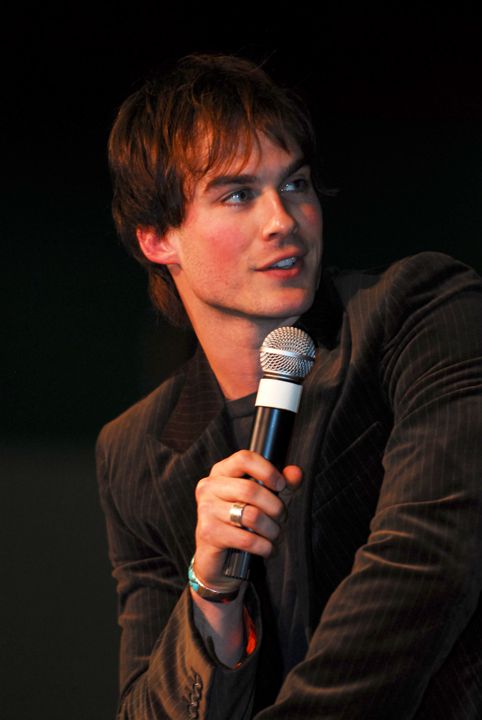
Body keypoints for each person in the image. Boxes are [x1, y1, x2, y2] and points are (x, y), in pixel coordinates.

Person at [96, 53, 482, 719]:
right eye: (238, 194)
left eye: (295, 184)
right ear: (158, 239)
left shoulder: (420, 311)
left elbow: (428, 563)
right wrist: (211, 595)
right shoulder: (135, 453)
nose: (283, 219)